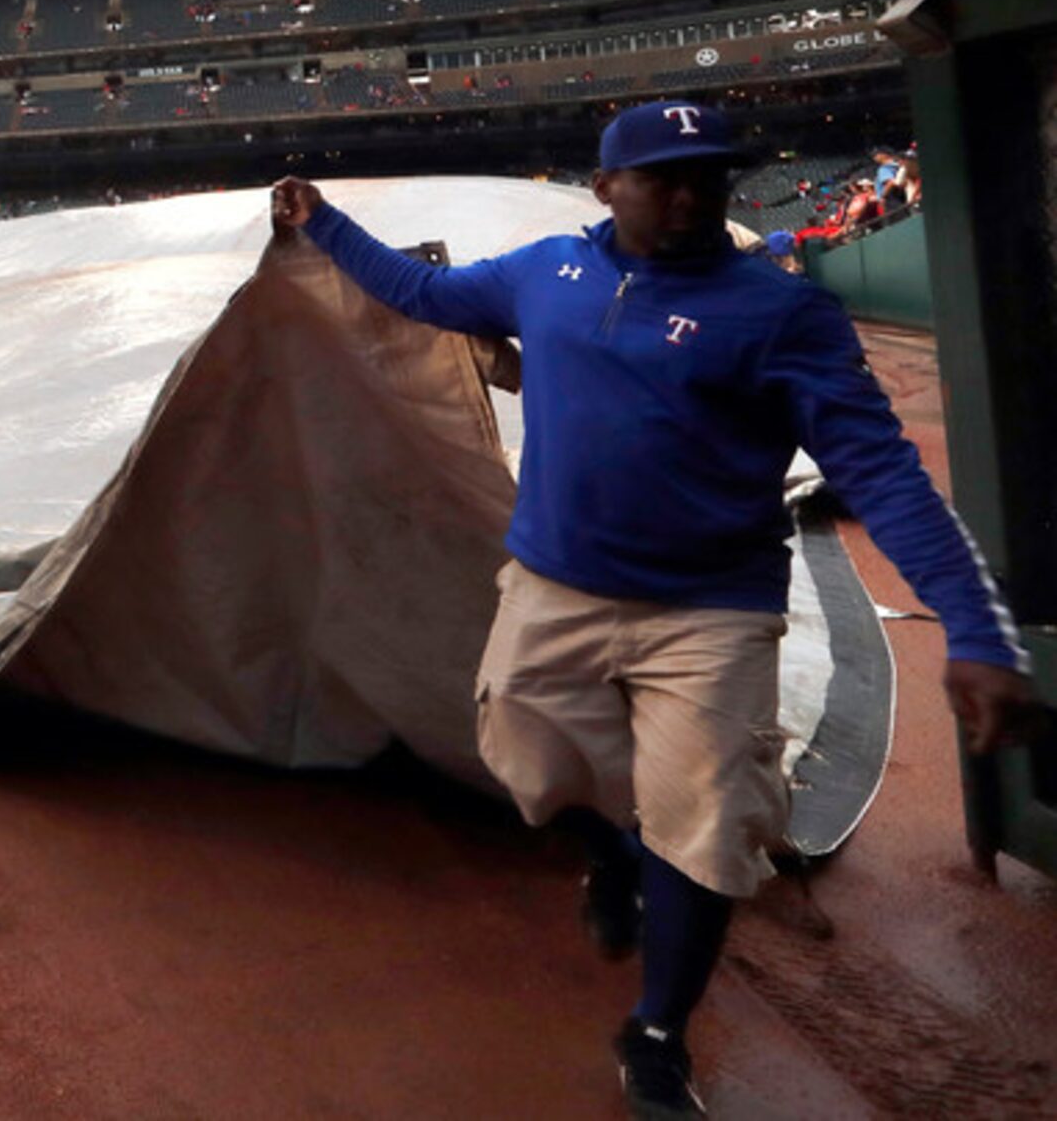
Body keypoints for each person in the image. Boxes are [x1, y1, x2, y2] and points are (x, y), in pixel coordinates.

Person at [270, 99, 1035, 1118]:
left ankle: (657, 1031)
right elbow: (421, 291)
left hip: (711, 609)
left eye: (708, 176)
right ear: (605, 187)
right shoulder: (544, 272)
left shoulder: (779, 311)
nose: (689, 196)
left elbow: (883, 475)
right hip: (557, 585)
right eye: (663, 177)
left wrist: (975, 632)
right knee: (527, 761)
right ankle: (616, 856)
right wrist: (319, 222)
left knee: (709, 828)